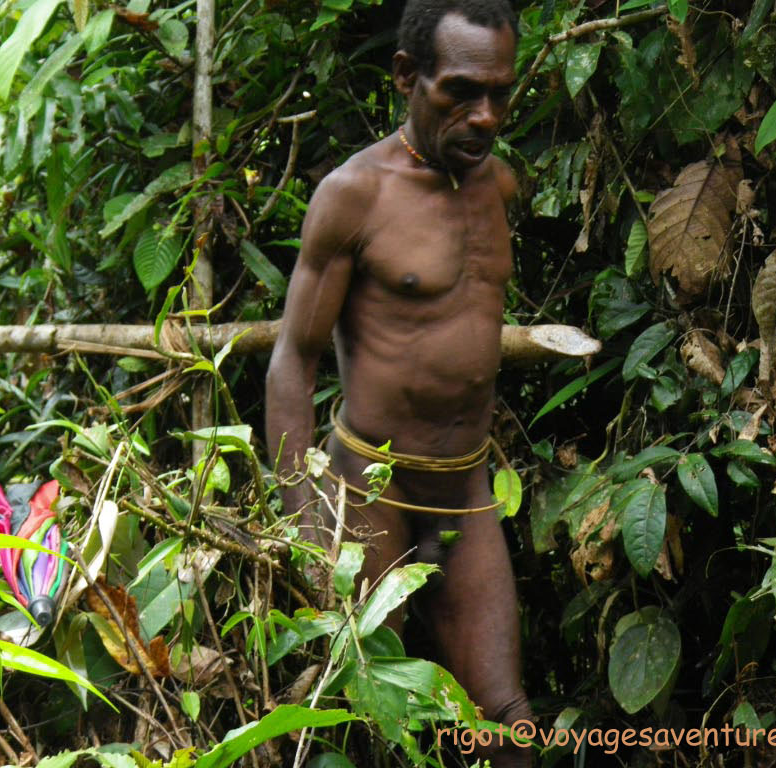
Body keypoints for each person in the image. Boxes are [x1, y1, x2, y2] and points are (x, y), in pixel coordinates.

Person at [266, 1, 531, 765]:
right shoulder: (355, 196)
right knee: (370, 730)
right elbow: (293, 358)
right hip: (370, 499)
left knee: (507, 728)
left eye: (501, 95)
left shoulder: (496, 187)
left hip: (467, 498)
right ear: (407, 77)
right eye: (462, 92)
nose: (485, 117)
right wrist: (304, 521)